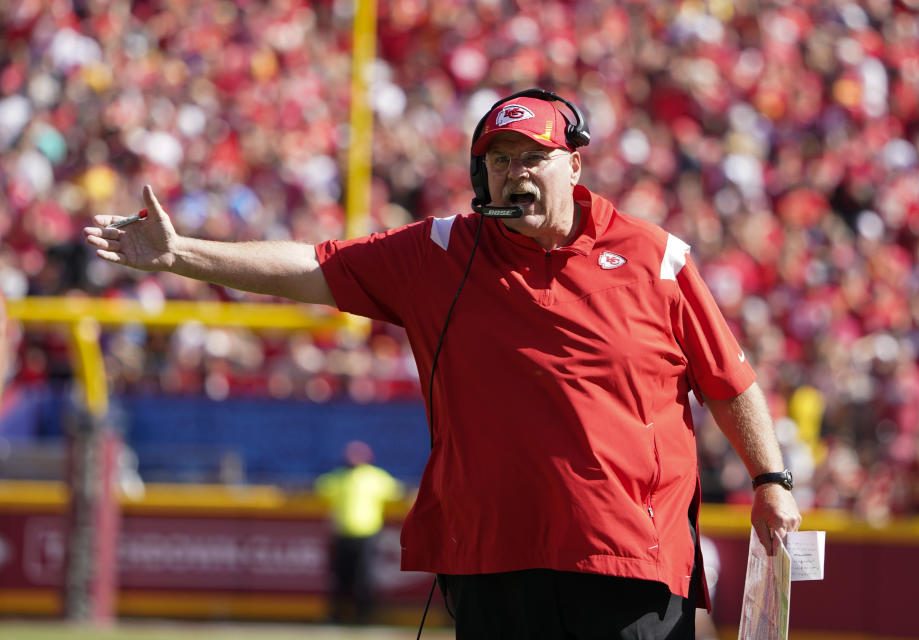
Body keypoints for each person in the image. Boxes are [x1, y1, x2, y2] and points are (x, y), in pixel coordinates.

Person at [84, 88, 801, 639]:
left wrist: (770, 478)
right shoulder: (439, 253)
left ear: (573, 166)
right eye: (498, 160)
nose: (512, 173)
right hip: (490, 558)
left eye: (530, 158)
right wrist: (183, 254)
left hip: (626, 558)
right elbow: (310, 266)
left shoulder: (655, 257)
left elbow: (728, 381)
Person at [315, 440, 404, 625]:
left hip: (367, 535)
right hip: (342, 534)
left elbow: (398, 492)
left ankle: (363, 616)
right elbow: (318, 489)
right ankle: (337, 615)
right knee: (340, 577)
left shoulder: (376, 477)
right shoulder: (338, 477)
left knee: (364, 578)